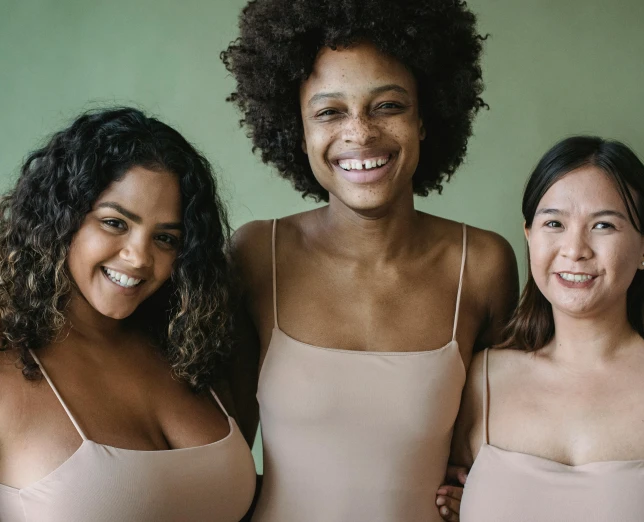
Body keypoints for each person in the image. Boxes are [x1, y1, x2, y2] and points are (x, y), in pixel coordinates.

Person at [221, 1, 519, 520]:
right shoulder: (255, 255)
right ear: (298, 129)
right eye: (329, 111)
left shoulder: (483, 265)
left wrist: (480, 491)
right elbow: (224, 456)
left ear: (425, 118)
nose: (360, 133)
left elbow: (492, 452)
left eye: (388, 106)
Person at [0, 107, 256, 522]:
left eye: (165, 238)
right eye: (115, 222)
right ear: (62, 218)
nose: (138, 257)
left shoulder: (191, 349)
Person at [435, 136, 644, 521]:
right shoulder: (480, 377)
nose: (575, 248)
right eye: (554, 223)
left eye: (604, 225)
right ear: (529, 236)